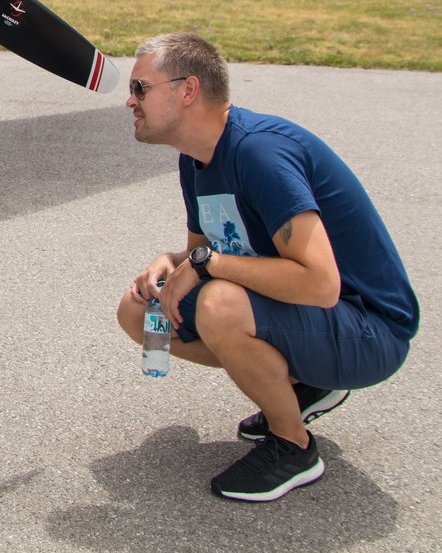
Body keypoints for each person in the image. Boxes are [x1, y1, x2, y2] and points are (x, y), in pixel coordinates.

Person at [115, 33, 417, 502]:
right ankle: (306, 386)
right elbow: (204, 253)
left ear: (188, 90)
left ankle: (294, 447)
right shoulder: (195, 160)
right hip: (307, 314)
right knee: (138, 311)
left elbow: (321, 283)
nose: (130, 101)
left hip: (369, 330)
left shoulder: (261, 153)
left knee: (220, 305)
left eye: (140, 88)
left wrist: (205, 265)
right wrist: (170, 261)